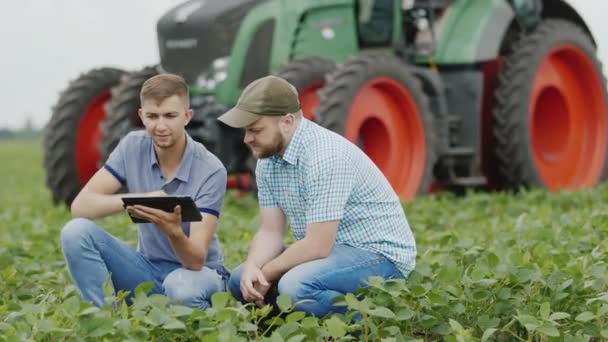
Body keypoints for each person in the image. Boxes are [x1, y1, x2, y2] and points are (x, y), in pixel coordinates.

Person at [220, 75, 417, 317]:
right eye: (246, 130)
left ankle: (373, 318)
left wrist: (268, 272)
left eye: (256, 130)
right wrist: (253, 266)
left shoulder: (326, 157)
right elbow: (271, 231)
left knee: (295, 286)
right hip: (330, 252)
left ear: (287, 121)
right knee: (241, 279)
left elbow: (317, 245)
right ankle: (296, 321)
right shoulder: (268, 159)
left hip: (377, 255)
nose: (247, 139)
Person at [60, 73, 229, 309]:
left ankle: (186, 315)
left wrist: (174, 231)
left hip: (196, 274)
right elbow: (81, 207)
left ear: (187, 116)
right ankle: (102, 321)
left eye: (170, 116)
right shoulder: (132, 146)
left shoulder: (210, 170)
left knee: (181, 289)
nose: (160, 126)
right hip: (147, 270)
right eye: (152, 116)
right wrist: (139, 201)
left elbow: (196, 259)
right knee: (75, 231)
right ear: (141, 116)